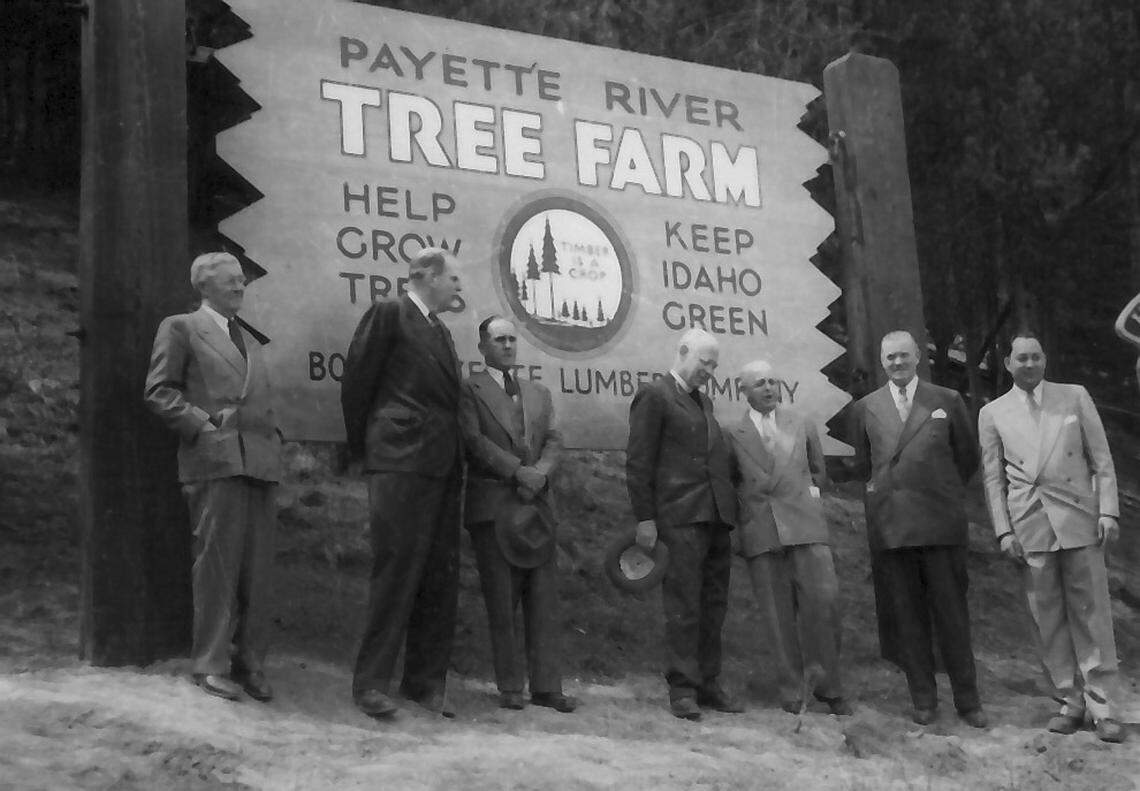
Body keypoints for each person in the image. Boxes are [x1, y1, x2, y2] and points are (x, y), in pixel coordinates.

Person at [144, 251, 281, 702]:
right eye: (230, 282)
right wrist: (202, 424)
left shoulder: (251, 340)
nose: (240, 288)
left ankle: (251, 662)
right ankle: (210, 662)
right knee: (217, 566)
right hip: (215, 461)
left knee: (258, 572)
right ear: (204, 286)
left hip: (259, 462)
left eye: (242, 281)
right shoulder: (181, 327)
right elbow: (160, 391)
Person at [978, 332, 1125, 743]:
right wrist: (1003, 529)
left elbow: (1103, 460)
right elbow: (993, 478)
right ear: (1007, 363)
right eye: (1021, 358)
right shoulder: (992, 412)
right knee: (1047, 620)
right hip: (1030, 523)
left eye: (1036, 357)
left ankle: (1104, 707)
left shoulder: (1074, 396)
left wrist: (1108, 511)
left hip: (1079, 517)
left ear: (1045, 360)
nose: (1029, 364)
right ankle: (1068, 701)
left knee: (1091, 613)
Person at [340, 247, 464, 719]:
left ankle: (425, 683)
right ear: (426, 276)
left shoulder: (441, 329)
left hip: (442, 466)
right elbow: (357, 383)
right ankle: (371, 684)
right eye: (452, 278)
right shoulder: (389, 314)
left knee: (439, 575)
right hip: (399, 460)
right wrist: (368, 449)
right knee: (395, 572)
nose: (458, 287)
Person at [848, 330, 987, 728]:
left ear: (917, 359)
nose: (897, 363)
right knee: (908, 619)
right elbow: (865, 465)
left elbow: (967, 457)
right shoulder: (866, 408)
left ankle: (968, 700)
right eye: (889, 357)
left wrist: (937, 489)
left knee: (952, 616)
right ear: (881, 361)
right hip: (893, 528)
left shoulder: (946, 400)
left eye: (904, 356)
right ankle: (923, 699)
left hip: (941, 525)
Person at [460, 316, 576, 713]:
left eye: (512, 339)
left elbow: (555, 440)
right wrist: (517, 470)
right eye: (499, 340)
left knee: (543, 598)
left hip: (537, 507)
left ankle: (547, 686)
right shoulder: (469, 390)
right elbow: (473, 441)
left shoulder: (538, 393)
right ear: (483, 347)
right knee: (502, 597)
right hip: (494, 504)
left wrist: (540, 473)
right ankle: (510, 685)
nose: (508, 346)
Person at [625, 328, 741, 720]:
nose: (708, 371)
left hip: (715, 517)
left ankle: (709, 682)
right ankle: (683, 688)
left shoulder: (703, 402)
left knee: (713, 604)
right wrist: (645, 518)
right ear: (683, 352)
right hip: (678, 516)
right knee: (684, 605)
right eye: (703, 361)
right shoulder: (654, 396)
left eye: (713, 365)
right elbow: (639, 462)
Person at [725, 360, 851, 716]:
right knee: (777, 616)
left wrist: (804, 499)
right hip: (762, 531)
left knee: (823, 605)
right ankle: (792, 689)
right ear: (743, 391)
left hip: (806, 528)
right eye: (759, 383)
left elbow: (818, 471)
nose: (768, 388)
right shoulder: (732, 434)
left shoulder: (802, 423)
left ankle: (829, 686)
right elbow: (730, 483)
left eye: (772, 381)